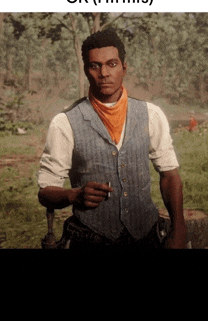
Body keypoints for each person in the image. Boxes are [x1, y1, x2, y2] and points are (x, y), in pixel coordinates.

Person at [38, 28, 186, 252]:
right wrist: (74, 194)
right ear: (86, 70)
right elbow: (46, 192)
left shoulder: (150, 114)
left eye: (112, 64)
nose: (104, 73)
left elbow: (170, 175)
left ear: (124, 68)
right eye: (95, 65)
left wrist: (179, 230)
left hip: (146, 237)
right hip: (89, 239)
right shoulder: (65, 122)